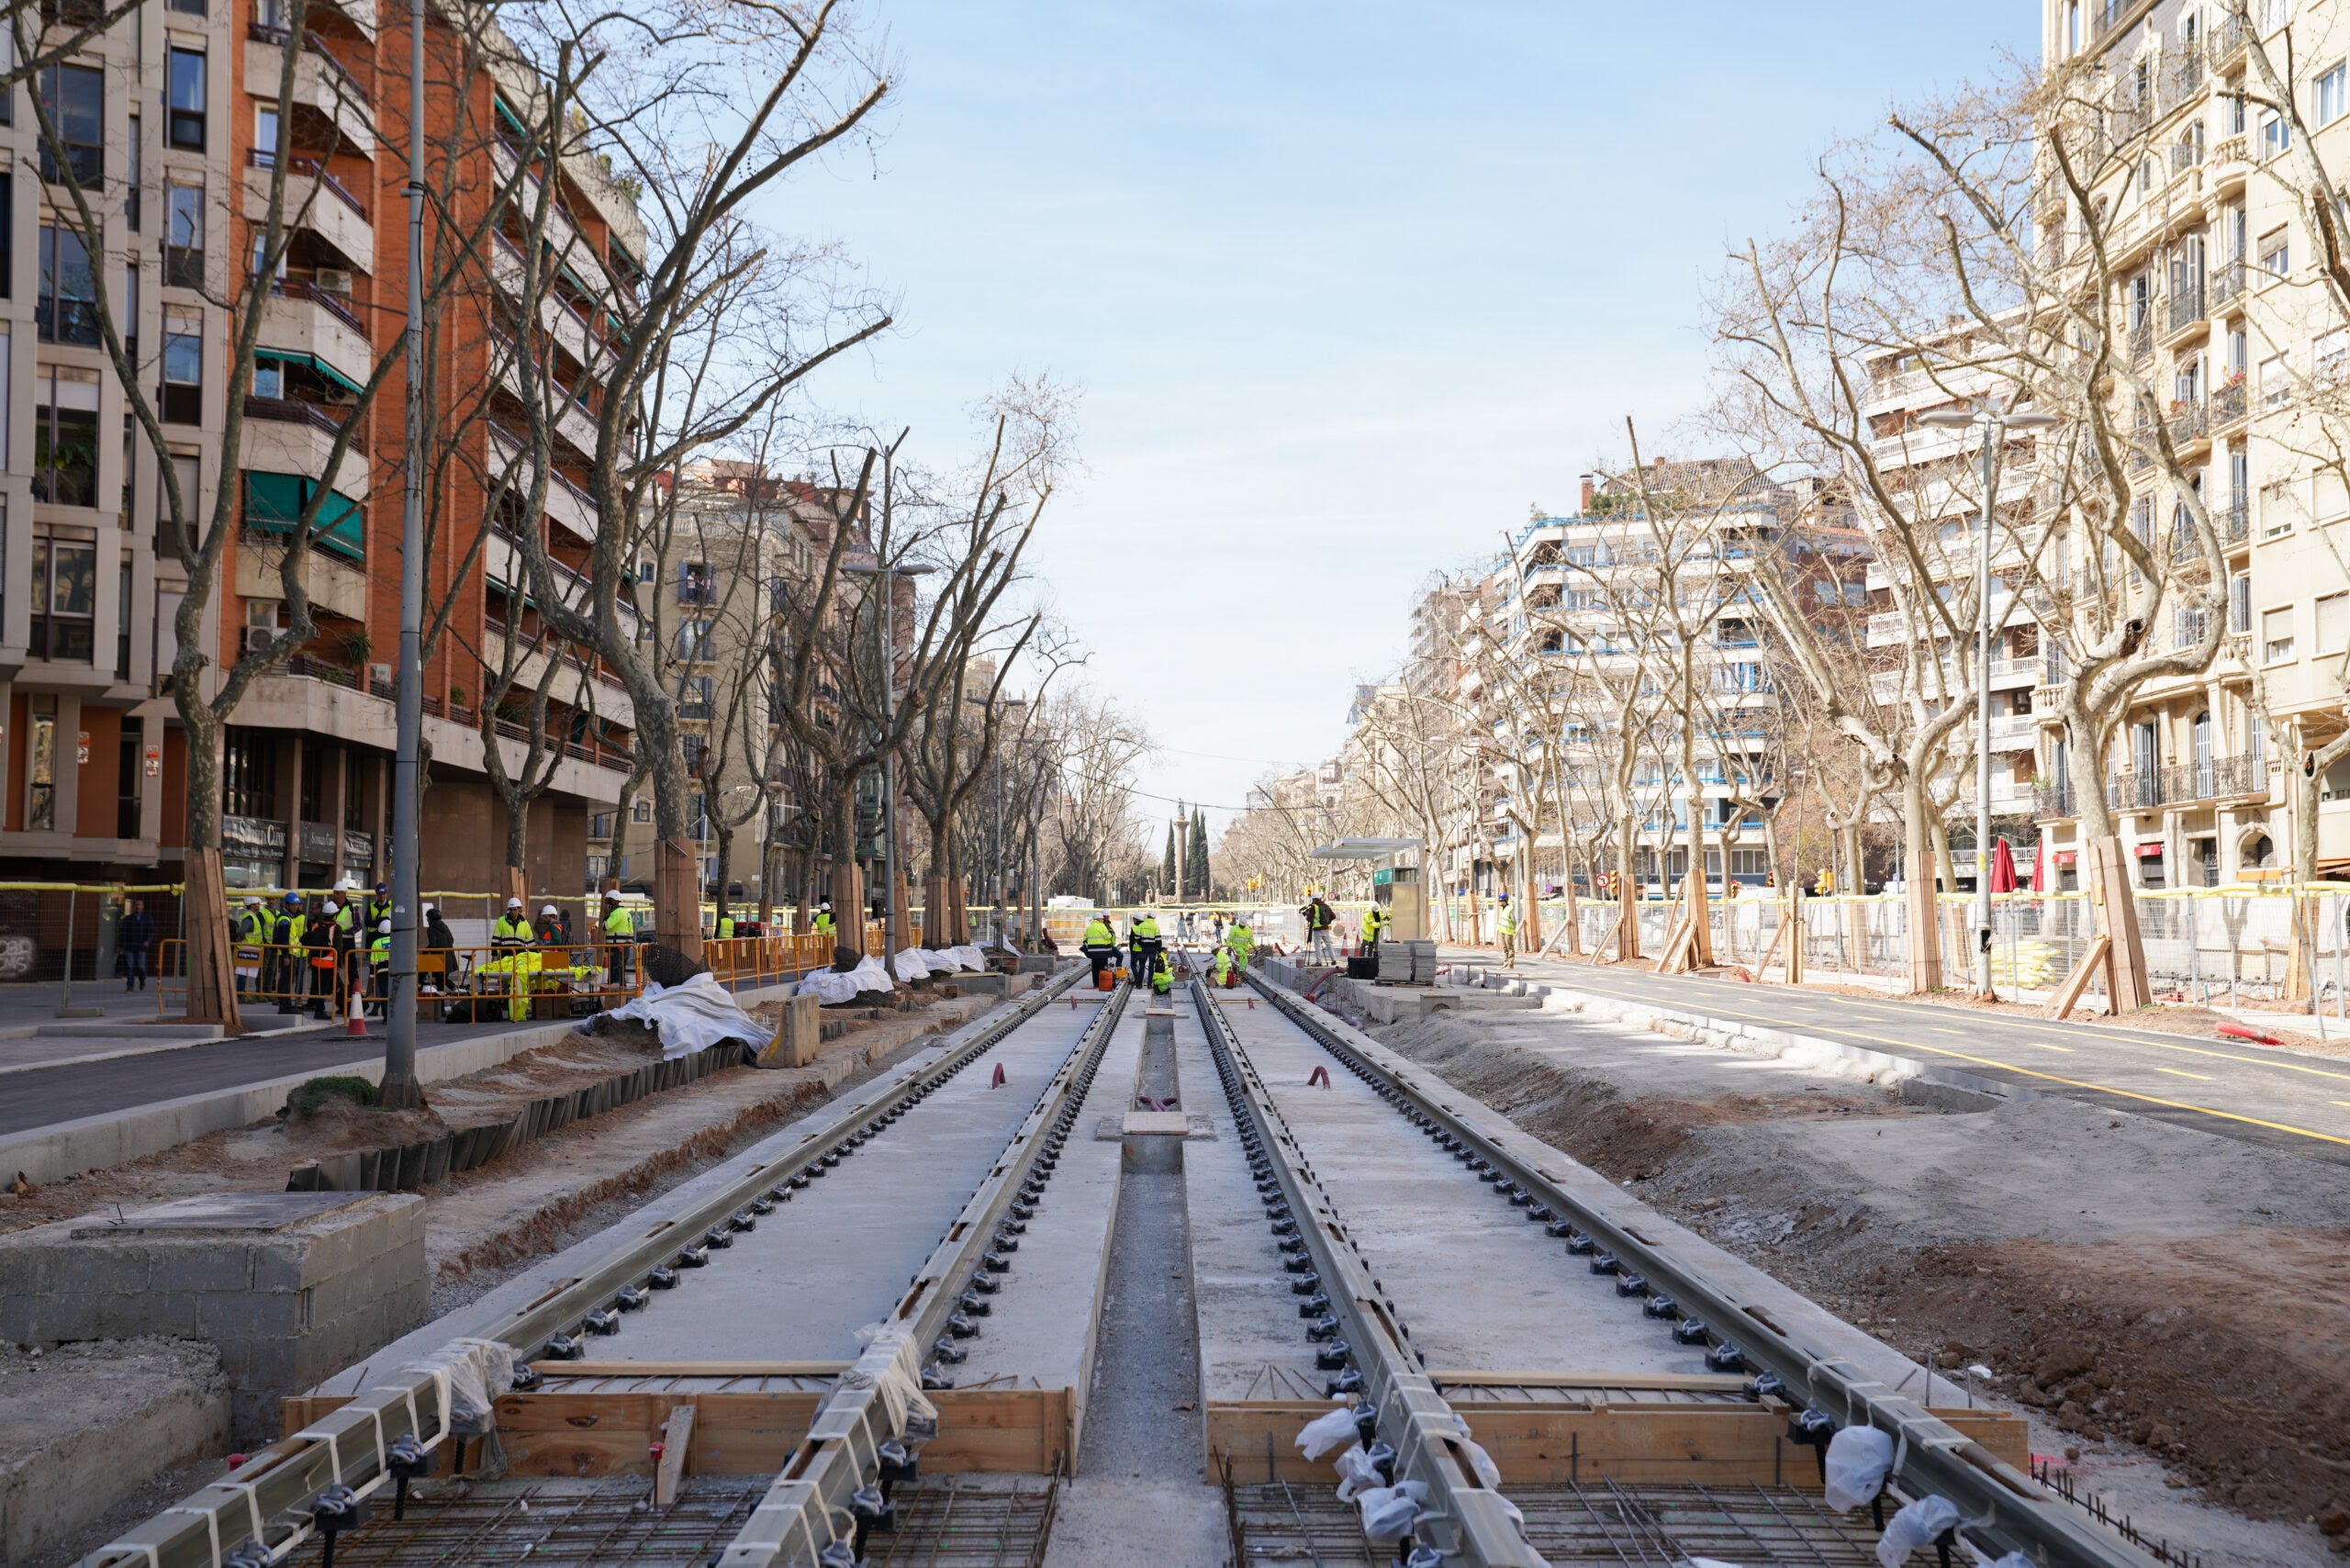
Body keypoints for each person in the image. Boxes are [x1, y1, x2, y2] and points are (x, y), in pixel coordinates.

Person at [305, 895, 341, 1019]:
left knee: (317, 986)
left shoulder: (316, 926)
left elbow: (304, 939)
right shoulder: (336, 928)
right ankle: (320, 1011)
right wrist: (339, 964)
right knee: (325, 987)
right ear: (334, 914)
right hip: (329, 963)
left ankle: (319, 1008)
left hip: (315, 962)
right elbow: (338, 948)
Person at [269, 892, 307, 1012]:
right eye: (293, 905)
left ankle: (285, 1004)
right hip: (287, 954)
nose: (296, 907)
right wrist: (286, 956)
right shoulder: (285, 919)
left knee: (287, 979)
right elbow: (283, 939)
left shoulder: (288, 917)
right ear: (287, 905)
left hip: (290, 953)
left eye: (297, 905)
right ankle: (285, 1005)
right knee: (286, 980)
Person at [599, 890, 635, 992]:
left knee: (615, 972)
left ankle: (615, 998)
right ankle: (622, 996)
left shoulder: (616, 913)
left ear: (612, 901)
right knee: (621, 972)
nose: (606, 904)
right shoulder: (626, 913)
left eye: (607, 901)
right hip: (626, 948)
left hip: (616, 948)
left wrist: (606, 914)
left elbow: (605, 926)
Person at [118, 899, 155, 991]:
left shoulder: (147, 918)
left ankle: (142, 979)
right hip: (129, 946)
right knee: (130, 966)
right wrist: (122, 946)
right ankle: (130, 986)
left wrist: (147, 940)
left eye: (140, 905)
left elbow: (150, 931)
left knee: (141, 966)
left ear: (143, 906)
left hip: (141, 946)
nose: (138, 907)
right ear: (134, 907)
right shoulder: (128, 918)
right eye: (137, 905)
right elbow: (123, 932)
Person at [233, 897, 267, 994]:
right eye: (257, 903)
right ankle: (241, 993)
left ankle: (242, 993)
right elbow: (242, 931)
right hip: (247, 948)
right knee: (243, 973)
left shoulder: (252, 916)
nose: (259, 905)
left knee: (245, 973)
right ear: (252, 905)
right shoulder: (249, 917)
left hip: (250, 948)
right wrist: (238, 941)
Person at [1080, 912, 1118, 985]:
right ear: (1098, 919)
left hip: (1093, 952)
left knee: (1095, 968)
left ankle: (1096, 983)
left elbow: (1085, 939)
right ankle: (1102, 983)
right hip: (1102, 952)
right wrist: (1110, 934)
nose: (1103, 920)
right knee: (1103, 968)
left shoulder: (1089, 927)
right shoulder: (1102, 926)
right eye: (1102, 919)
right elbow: (1107, 936)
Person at [1301, 893, 1337, 965]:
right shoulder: (1326, 906)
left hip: (1317, 929)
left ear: (1314, 899)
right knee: (1329, 944)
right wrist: (1327, 921)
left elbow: (1309, 918)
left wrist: (1308, 915)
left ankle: (1319, 961)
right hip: (1325, 928)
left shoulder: (1313, 907)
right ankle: (1334, 960)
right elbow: (1333, 916)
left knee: (1317, 945)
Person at [1129, 911, 1162, 985]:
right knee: (1151, 967)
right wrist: (1159, 950)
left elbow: (1137, 937)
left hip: (1144, 948)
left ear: (1147, 916)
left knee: (1142, 966)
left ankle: (1139, 984)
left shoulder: (1141, 925)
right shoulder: (1155, 926)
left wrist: (1141, 944)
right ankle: (1149, 984)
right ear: (1153, 918)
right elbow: (1158, 939)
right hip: (1153, 949)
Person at [1497, 892, 1517, 969]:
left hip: (1508, 932)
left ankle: (1510, 965)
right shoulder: (1502, 909)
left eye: (1501, 901)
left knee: (1510, 948)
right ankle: (1505, 963)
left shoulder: (1509, 909)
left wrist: (1513, 929)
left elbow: (1514, 921)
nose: (1500, 902)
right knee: (1504, 948)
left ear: (1505, 901)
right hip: (1502, 931)